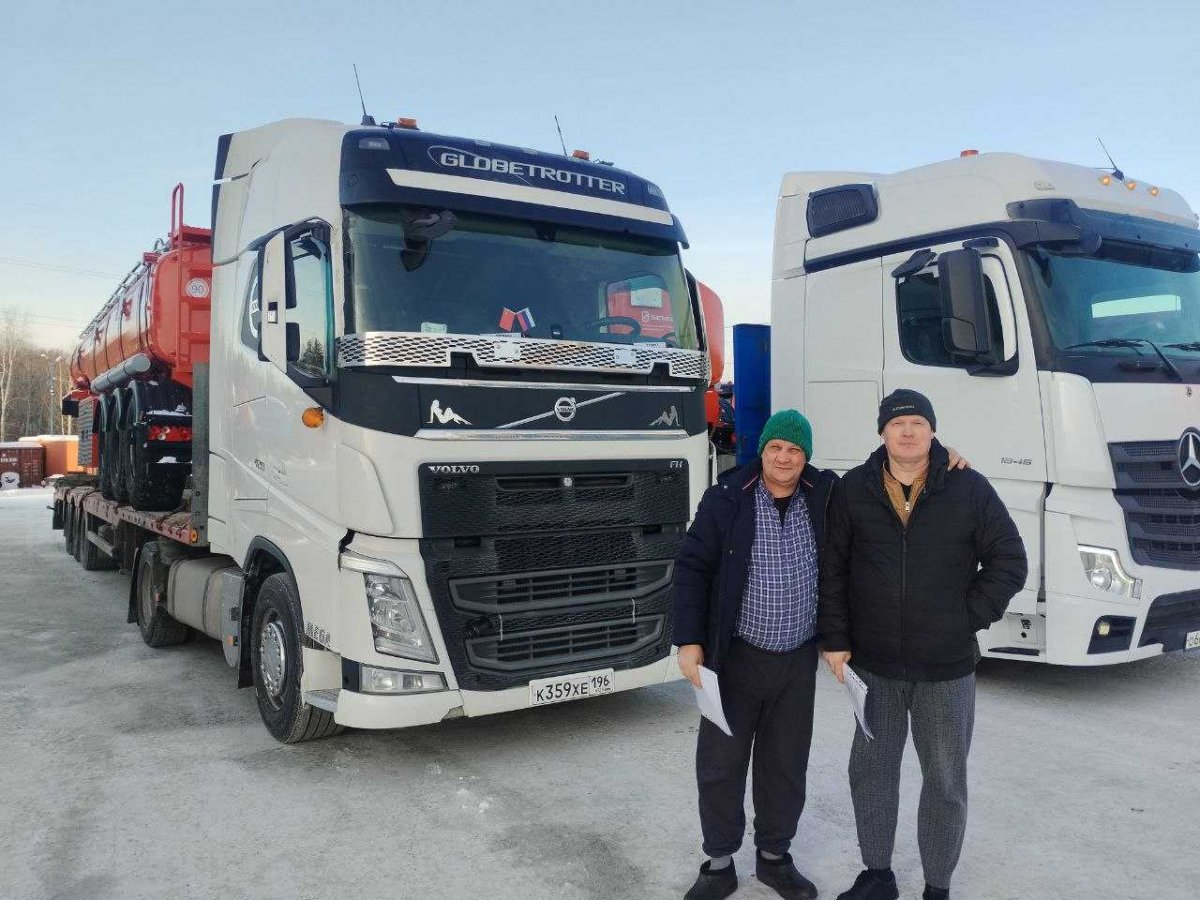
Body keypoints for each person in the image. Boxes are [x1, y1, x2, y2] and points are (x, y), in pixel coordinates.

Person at [818, 389, 1028, 900]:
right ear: (882, 432)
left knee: (945, 780)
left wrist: (965, 618)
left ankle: (938, 885)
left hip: (946, 668)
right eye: (897, 423)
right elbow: (834, 569)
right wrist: (837, 639)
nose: (907, 431)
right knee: (871, 772)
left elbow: (1010, 561)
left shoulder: (968, 487)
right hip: (874, 665)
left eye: (917, 422)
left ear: (933, 430)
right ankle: (877, 875)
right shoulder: (854, 489)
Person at [673, 409, 834, 900]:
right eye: (776, 448)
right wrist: (689, 640)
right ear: (762, 450)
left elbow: (883, 473)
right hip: (735, 659)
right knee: (721, 763)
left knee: (784, 765)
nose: (784, 458)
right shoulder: (727, 497)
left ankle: (774, 858)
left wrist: (940, 455)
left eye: (795, 450)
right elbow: (692, 567)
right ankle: (719, 863)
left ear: (807, 457)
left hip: (796, 663)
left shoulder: (826, 494)